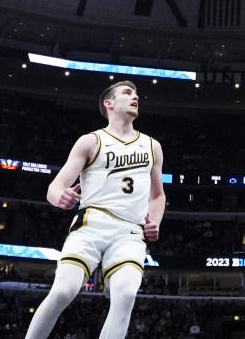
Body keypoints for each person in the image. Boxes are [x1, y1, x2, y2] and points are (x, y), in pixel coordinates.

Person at [23, 80, 165, 339]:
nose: (135, 97)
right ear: (108, 104)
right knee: (63, 291)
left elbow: (158, 195)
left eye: (136, 94)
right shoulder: (91, 141)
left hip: (130, 231)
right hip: (91, 224)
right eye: (127, 93)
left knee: (126, 295)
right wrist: (59, 197)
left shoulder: (152, 145)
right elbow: (55, 186)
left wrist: (154, 221)